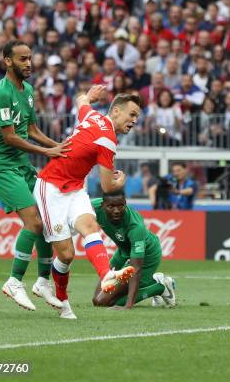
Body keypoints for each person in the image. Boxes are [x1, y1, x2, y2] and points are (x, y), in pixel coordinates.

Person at [33, 86, 142, 319]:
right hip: (51, 186)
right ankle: (61, 299)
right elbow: (107, 186)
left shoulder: (93, 115)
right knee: (66, 255)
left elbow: (81, 100)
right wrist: (120, 181)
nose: (134, 121)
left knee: (91, 227)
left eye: (137, 117)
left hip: (75, 187)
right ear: (115, 112)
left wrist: (89, 96)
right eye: (131, 115)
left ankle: (106, 275)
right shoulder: (108, 139)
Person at [0, 40, 70, 312]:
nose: (28, 64)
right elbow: (10, 137)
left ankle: (43, 282)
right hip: (3, 166)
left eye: (30, 58)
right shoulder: (1, 92)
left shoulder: (29, 90)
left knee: (46, 221)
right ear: (8, 61)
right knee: (34, 223)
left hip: (22, 165)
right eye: (22, 59)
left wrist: (55, 146)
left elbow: (32, 128)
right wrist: (47, 153)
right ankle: (14, 281)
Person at [91, 191, 176, 309]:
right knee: (96, 300)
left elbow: (135, 269)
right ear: (103, 205)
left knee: (104, 302)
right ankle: (151, 281)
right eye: (111, 207)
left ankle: (159, 287)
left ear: (125, 204)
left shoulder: (135, 227)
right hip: (123, 252)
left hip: (147, 254)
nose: (116, 210)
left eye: (120, 206)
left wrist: (128, 306)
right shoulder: (93, 207)